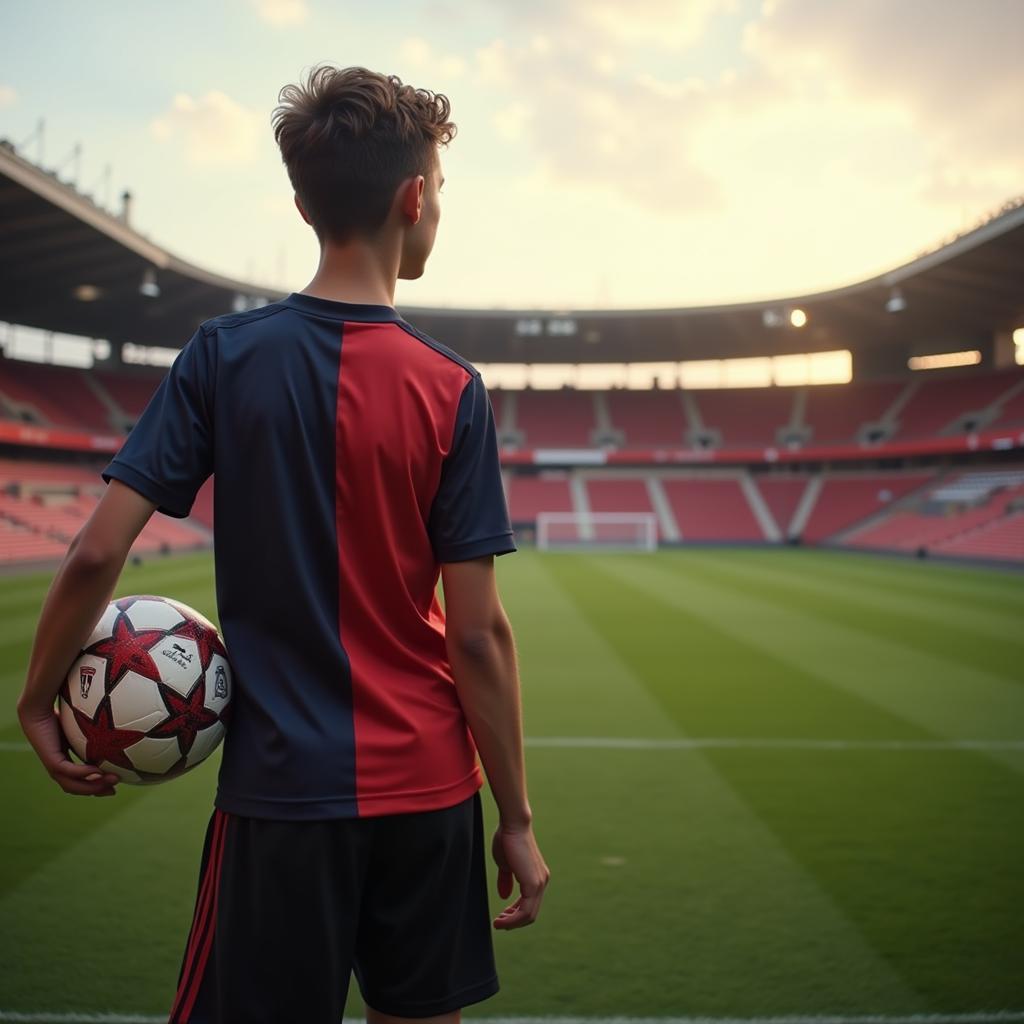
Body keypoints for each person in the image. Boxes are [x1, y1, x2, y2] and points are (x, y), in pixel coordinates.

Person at [16, 64, 548, 1023]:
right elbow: (477, 637)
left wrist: (35, 697)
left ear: (302, 203)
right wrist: (513, 817)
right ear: (416, 198)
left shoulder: (221, 356)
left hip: (280, 796)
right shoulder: (452, 388)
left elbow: (97, 556)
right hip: (429, 794)